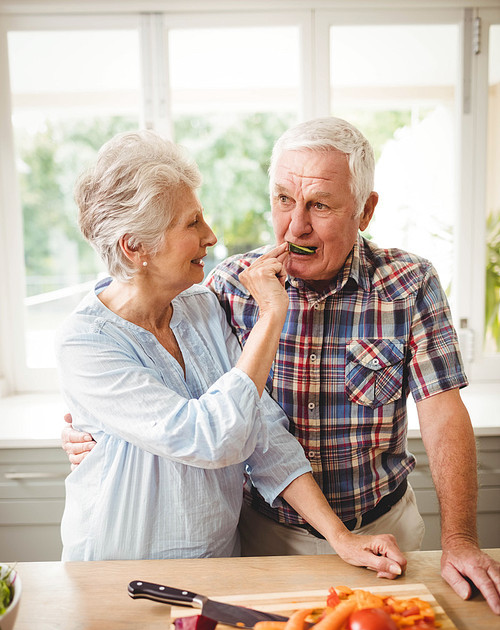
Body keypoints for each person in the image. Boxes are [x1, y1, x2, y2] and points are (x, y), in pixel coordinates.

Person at [62, 119, 500, 615]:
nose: (296, 227)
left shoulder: (407, 283)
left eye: (319, 205)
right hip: (237, 540)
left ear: (365, 210)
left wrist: (451, 537)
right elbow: (200, 425)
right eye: (284, 200)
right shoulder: (226, 289)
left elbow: (268, 432)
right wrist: (97, 433)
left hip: (375, 530)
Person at [55, 128, 406, 574]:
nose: (212, 236)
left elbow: (260, 430)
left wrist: (341, 537)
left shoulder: (201, 306)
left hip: (217, 562)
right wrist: (271, 314)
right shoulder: (85, 342)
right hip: (117, 569)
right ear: (135, 246)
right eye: (191, 223)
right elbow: (209, 436)